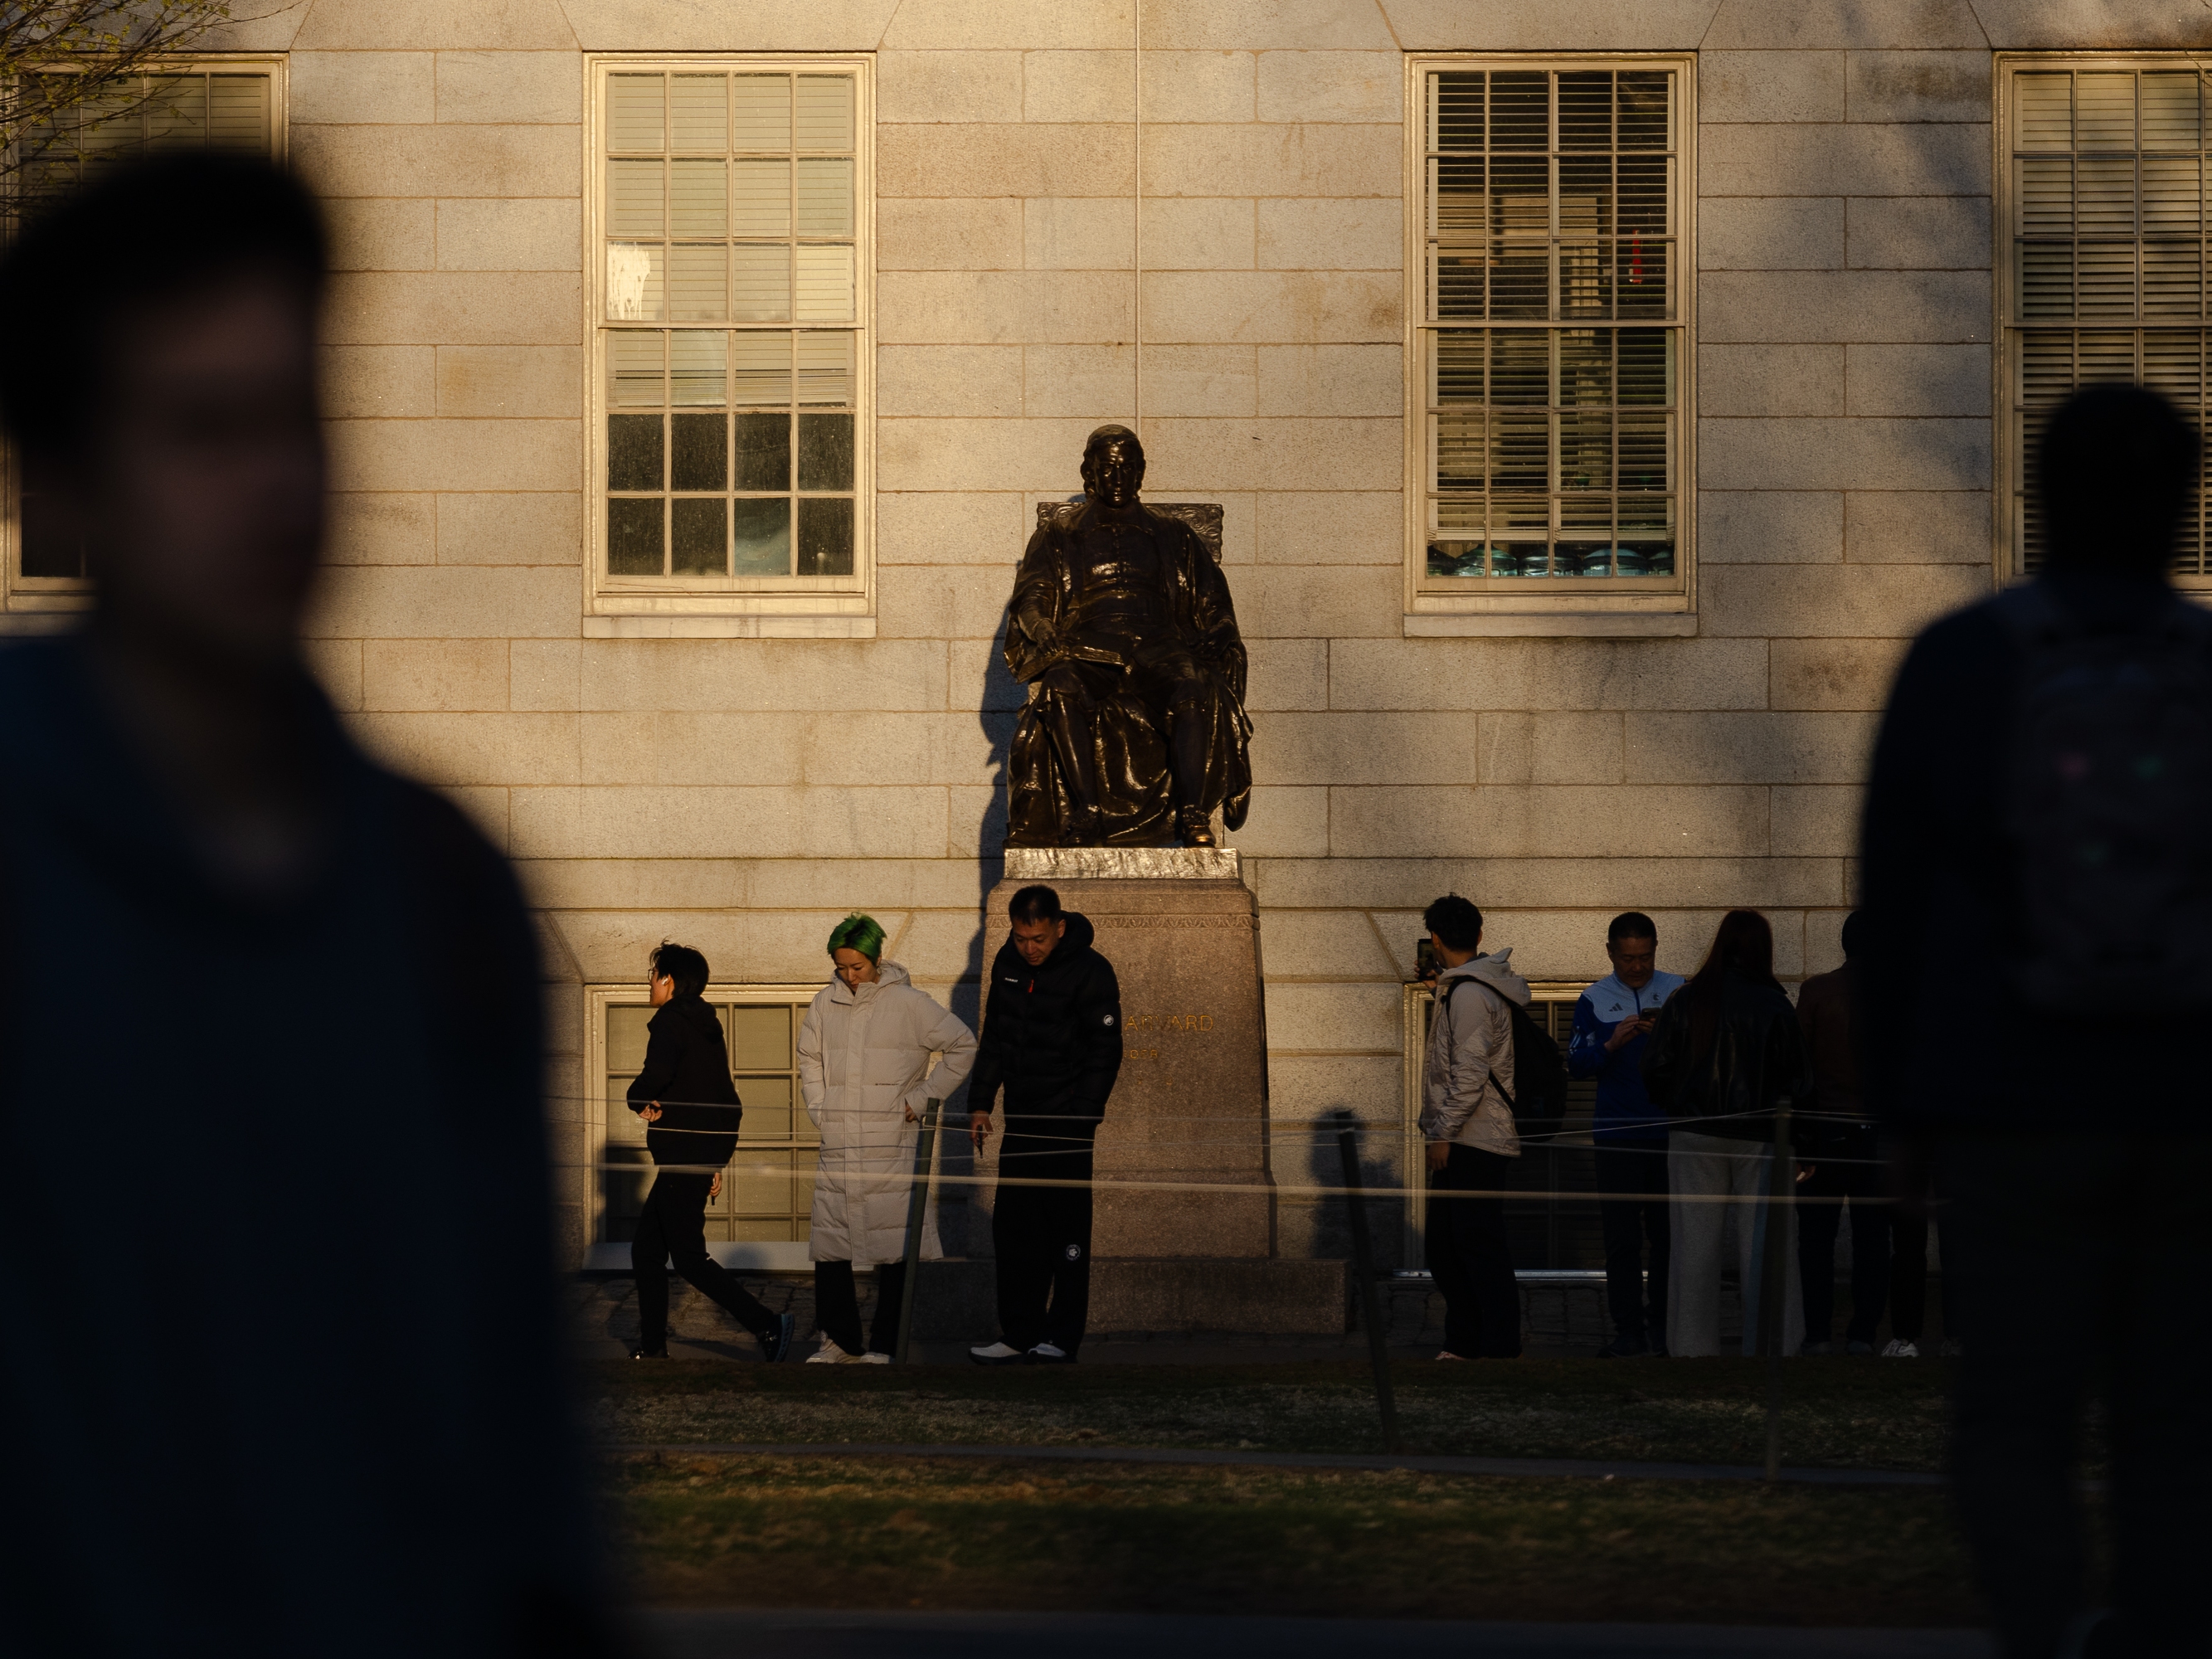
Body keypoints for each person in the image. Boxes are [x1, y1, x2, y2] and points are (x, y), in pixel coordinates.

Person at [0, 154, 615, 1653]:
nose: (279, 481)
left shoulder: (444, 888)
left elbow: (520, 1437)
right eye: (206, 429)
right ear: (63, 481)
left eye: (298, 415)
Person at [1861, 382, 2212, 1659]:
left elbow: (1889, 910)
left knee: (2012, 1411)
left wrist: (1899, 1109)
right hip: (2187, 1105)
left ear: (2038, 498)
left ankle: (2047, 1631)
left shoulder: (1959, 660)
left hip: (2011, 1104)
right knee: (2175, 1423)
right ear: (2179, 509)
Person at [798, 912, 978, 1364]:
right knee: (831, 1242)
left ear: (877, 958)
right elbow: (809, 1059)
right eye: (841, 967)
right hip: (839, 1139)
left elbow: (963, 1045)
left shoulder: (911, 1004)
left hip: (891, 1141)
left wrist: (921, 1098)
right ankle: (838, 1340)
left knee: (895, 1245)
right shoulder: (825, 1003)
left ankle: (885, 1345)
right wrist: (821, 1109)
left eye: (856, 966)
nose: (849, 976)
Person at [1641, 909, 1814, 1360]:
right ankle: (1772, 1345)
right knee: (1765, 1245)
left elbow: (1656, 1066)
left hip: (1694, 1132)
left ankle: (1691, 1348)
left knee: (1693, 1245)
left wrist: (1678, 1104)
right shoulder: (1774, 1004)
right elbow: (1799, 1081)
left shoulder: (1687, 999)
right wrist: (1805, 1143)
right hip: (1760, 1133)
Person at [966, 884, 1122, 1364]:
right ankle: (1018, 1332)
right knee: (1014, 1230)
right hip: (1021, 1121)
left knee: (1066, 1232)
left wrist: (1083, 1118)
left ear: (1058, 927)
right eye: (1020, 938)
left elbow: (1106, 1051)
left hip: (1068, 1124)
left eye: (1037, 938)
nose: (1029, 949)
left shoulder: (1091, 970)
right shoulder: (1007, 964)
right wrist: (981, 1102)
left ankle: (1061, 1336)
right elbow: (994, 1036)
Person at [628, 941, 795, 1363]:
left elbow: (657, 1075)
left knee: (686, 1257)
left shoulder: (670, 1020)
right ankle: (652, 1350)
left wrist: (635, 1098)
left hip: (685, 1154)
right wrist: (715, 1159)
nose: (649, 983)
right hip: (694, 1153)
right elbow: (722, 1096)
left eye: (652, 975)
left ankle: (768, 1324)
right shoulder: (704, 1022)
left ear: (668, 979)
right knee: (648, 1252)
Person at [1568, 912, 1685, 1358]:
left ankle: (1663, 1328)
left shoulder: (1678, 990)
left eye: (1646, 957)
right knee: (1621, 1240)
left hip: (1669, 1133)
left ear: (1656, 950)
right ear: (1611, 953)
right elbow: (1576, 1065)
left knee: (1668, 1238)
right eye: (1628, 959)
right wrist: (1612, 1044)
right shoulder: (1594, 998)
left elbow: (1701, 1055)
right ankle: (1628, 1330)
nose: (1637, 967)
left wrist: (1669, 1037)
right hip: (1617, 1134)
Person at [1418, 894, 1529, 1360]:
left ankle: (1495, 1346)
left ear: (1437, 940)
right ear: (1480, 935)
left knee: (1474, 1248)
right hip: (1470, 1135)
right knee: (1451, 1249)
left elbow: (1470, 1074)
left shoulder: (1468, 994)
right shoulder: (1465, 989)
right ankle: (1468, 1341)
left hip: (1473, 1139)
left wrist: (1442, 1132)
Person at [1793, 911, 1890, 1357]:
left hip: (1826, 1130)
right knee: (1873, 1240)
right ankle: (1863, 1334)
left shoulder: (1817, 991)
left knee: (1816, 1241)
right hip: (1877, 1131)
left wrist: (1802, 1138)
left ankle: (1817, 1333)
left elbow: (1800, 1071)